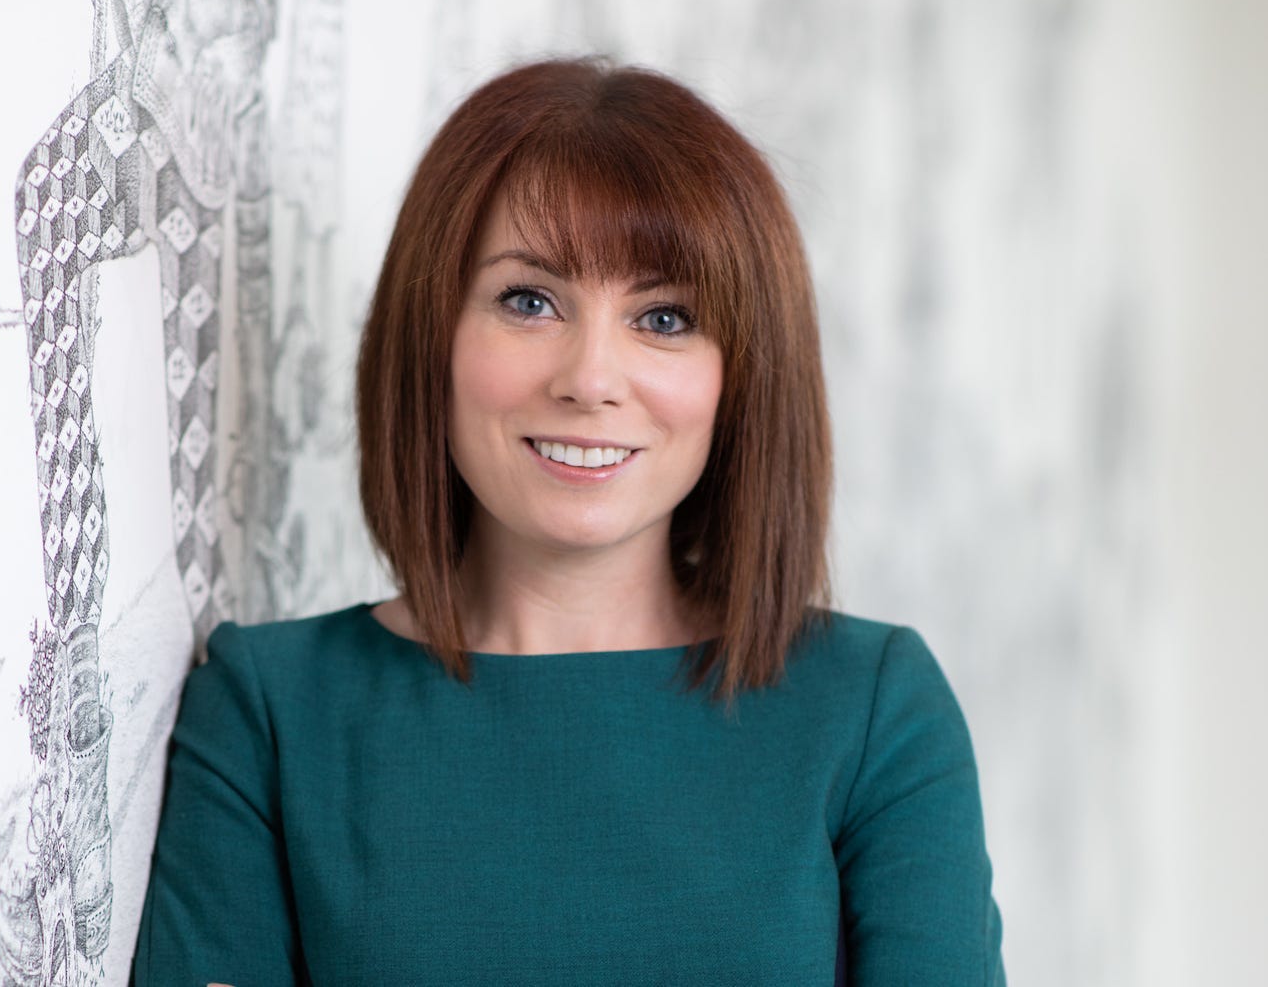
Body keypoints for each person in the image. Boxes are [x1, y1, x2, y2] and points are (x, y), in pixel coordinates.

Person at [131, 57, 1005, 985]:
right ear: (433, 334)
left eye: (664, 317)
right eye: (530, 300)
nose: (591, 378)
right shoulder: (268, 715)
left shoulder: (874, 713)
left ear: (740, 376)